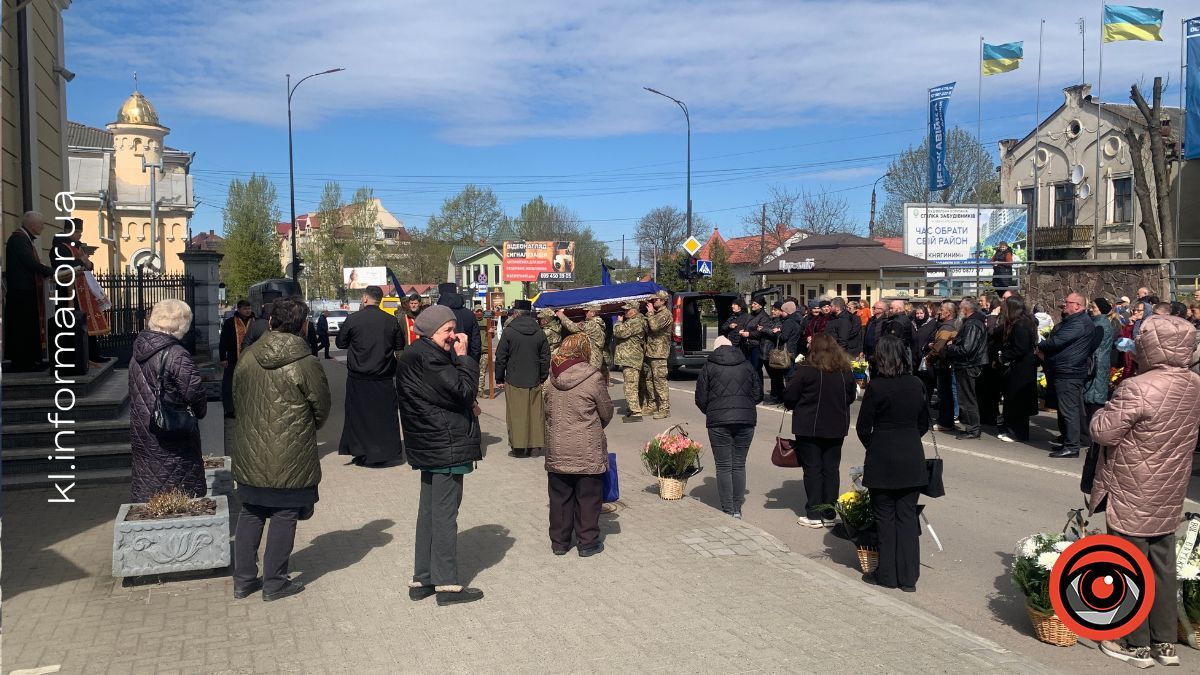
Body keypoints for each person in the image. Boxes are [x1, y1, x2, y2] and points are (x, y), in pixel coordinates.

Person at [1091, 314, 1200, 668]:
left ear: (1150, 345)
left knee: (1128, 562)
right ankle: (1164, 642)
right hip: (1171, 484)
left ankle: (1134, 642)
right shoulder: (1194, 384)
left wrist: (1100, 413)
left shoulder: (1137, 387)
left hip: (1133, 485)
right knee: (1162, 565)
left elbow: (1104, 432)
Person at [231, 297, 331, 602]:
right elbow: (321, 407)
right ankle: (274, 582)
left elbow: (236, 397)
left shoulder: (248, 356)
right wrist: (306, 426)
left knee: (251, 510)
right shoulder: (306, 362)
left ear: (271, 321)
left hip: (251, 447)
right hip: (291, 450)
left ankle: (243, 580)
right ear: (303, 325)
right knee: (285, 512)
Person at [395, 304, 484, 606]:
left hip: (431, 442)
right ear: (431, 331)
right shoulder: (430, 358)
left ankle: (423, 578)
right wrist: (464, 357)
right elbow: (463, 390)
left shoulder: (417, 354)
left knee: (430, 513)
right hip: (445, 444)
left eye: (454, 329)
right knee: (444, 515)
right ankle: (446, 584)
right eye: (448, 330)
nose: (453, 335)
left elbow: (447, 394)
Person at [856, 335, 929, 592]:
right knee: (907, 517)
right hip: (911, 454)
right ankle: (908, 578)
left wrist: (875, 445)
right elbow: (923, 423)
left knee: (885, 518)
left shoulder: (876, 387)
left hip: (882, 456)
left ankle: (887, 574)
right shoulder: (916, 384)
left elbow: (863, 428)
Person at [128, 299, 208, 503]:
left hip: (144, 430)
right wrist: (199, 411)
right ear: (182, 324)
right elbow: (195, 392)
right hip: (172, 432)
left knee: (151, 489)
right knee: (179, 492)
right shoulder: (176, 354)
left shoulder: (139, 350)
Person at [543, 333, 614, 556]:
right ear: (584, 350)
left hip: (557, 447)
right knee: (589, 497)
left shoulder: (551, 377)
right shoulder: (593, 377)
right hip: (587, 447)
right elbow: (606, 411)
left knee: (559, 497)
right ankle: (587, 542)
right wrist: (593, 426)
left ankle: (559, 543)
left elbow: (546, 410)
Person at [782, 333, 856, 528]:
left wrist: (794, 404)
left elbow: (790, 395)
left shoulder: (806, 370)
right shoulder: (844, 371)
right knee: (831, 469)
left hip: (809, 426)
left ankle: (814, 513)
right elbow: (850, 397)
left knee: (813, 469)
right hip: (836, 426)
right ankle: (829, 513)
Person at [337, 286, 404, 467]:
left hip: (358, 377)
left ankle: (361, 451)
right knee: (384, 416)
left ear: (365, 298)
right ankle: (385, 452)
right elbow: (400, 345)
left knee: (358, 416)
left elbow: (340, 342)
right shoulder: (391, 320)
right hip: (383, 376)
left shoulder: (353, 319)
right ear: (380, 300)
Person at [695, 335, 760, 518]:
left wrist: (712, 411)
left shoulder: (709, 366)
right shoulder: (746, 365)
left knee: (723, 465)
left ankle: (728, 509)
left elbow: (700, 398)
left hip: (718, 421)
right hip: (745, 420)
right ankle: (737, 508)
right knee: (739, 464)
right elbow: (758, 394)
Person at [1038, 293, 1097, 459]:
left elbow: (1056, 341)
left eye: (1068, 302)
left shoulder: (1079, 323)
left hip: (1069, 372)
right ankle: (1069, 442)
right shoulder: (1075, 321)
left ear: (1077, 305)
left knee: (1069, 410)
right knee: (1069, 410)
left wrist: (1040, 345)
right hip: (1068, 370)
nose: (1065, 305)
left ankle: (1072, 446)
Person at [494, 301, 550, 458]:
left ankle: (518, 448)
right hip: (534, 378)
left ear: (516, 313)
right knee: (535, 414)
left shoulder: (509, 332)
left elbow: (501, 357)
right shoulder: (539, 332)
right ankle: (535, 447)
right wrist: (542, 376)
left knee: (517, 414)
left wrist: (499, 378)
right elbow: (545, 357)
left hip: (514, 378)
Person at [51, 218, 111, 364]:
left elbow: (88, 266)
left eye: (80, 232)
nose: (79, 235)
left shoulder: (78, 247)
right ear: (67, 231)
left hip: (83, 290)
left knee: (87, 322)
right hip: (69, 292)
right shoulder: (59, 247)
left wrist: (88, 263)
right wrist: (82, 262)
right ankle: (77, 355)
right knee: (74, 323)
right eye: (76, 231)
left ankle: (93, 353)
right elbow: (62, 266)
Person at [4, 211, 53, 371]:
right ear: (32, 225)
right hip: (21, 293)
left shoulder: (24, 238)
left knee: (29, 327)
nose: (43, 227)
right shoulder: (18, 239)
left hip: (26, 291)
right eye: (41, 224)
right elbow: (30, 263)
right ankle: (23, 363)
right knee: (23, 328)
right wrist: (51, 271)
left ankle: (32, 359)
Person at [996, 296, 1038, 442]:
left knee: (1018, 401)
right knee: (1015, 400)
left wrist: (1003, 357)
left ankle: (1017, 433)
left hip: (1021, 368)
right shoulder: (1025, 322)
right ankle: (1012, 429)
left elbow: (1020, 348)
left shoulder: (1020, 325)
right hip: (1023, 367)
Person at [944, 297, 987, 440]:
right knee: (965, 398)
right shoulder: (971, 323)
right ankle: (971, 427)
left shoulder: (972, 324)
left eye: (960, 308)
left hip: (968, 366)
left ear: (966, 309)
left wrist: (951, 347)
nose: (959, 310)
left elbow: (967, 348)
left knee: (967, 399)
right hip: (966, 365)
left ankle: (973, 429)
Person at [219, 300, 256, 417]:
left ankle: (249, 408)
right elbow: (223, 341)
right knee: (230, 384)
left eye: (249, 308)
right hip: (233, 359)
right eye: (245, 309)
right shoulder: (230, 323)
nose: (248, 311)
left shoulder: (255, 322)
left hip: (252, 359)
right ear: (239, 309)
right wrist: (223, 357)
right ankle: (230, 409)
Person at [612, 301, 648, 418]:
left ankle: (635, 411)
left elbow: (619, 333)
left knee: (630, 386)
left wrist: (618, 322)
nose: (625, 312)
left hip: (631, 358)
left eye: (627, 310)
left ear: (634, 310)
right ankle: (633, 408)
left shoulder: (635, 321)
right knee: (633, 385)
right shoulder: (636, 320)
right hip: (631, 358)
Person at [927, 301, 959, 431]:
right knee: (947, 394)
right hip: (948, 363)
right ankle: (947, 421)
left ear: (949, 312)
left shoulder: (947, 327)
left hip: (944, 364)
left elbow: (939, 347)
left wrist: (929, 358)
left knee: (945, 394)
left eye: (942, 309)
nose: (939, 311)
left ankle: (945, 423)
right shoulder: (954, 324)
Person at [1084, 298, 1116, 423]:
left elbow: (1095, 348)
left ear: (1101, 309)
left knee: (1094, 398)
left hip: (1096, 364)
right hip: (1100, 363)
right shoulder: (1101, 323)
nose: (1091, 310)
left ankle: (1091, 428)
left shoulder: (1100, 325)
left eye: (1094, 307)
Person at [643, 290, 674, 419]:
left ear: (663, 301)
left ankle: (664, 408)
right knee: (649, 380)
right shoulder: (656, 314)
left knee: (660, 381)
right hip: (651, 351)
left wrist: (650, 313)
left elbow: (655, 327)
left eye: (656, 300)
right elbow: (647, 328)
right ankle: (652, 405)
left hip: (660, 353)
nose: (653, 302)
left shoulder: (666, 314)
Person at [559, 305, 609, 382]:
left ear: (593, 313)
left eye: (587, 311)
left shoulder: (592, 324)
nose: (585, 313)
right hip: (595, 357)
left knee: (590, 383)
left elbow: (572, 327)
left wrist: (561, 315)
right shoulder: (598, 323)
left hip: (592, 359)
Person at [763, 301, 800, 405]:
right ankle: (790, 399)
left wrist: (777, 332)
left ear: (787, 311)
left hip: (787, 353)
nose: (781, 313)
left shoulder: (788, 322)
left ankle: (790, 401)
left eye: (783, 311)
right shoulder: (796, 320)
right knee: (790, 377)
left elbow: (784, 337)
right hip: (793, 352)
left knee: (789, 378)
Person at [436, 282, 481, 362]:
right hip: (466, 359)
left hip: (442, 361)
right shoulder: (469, 314)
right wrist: (473, 362)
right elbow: (476, 342)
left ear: (441, 295)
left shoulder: (437, 313)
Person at [911, 305, 938, 402]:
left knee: (927, 380)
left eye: (921, 313)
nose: (919, 316)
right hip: (914, 357)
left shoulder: (932, 323)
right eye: (917, 313)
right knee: (916, 379)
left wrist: (927, 346)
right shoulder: (912, 323)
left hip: (926, 357)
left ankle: (927, 400)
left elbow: (934, 337)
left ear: (925, 313)